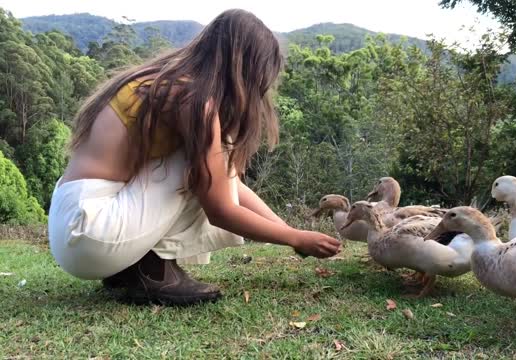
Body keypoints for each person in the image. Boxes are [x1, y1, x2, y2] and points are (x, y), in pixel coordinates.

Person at [47, 9, 341, 306]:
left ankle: (131, 268)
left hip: (74, 224)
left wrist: (293, 233)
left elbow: (231, 185)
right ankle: (154, 270)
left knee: (210, 166)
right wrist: (294, 239)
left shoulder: (163, 82)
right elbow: (221, 208)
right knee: (207, 167)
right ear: (243, 70)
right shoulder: (193, 102)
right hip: (94, 232)